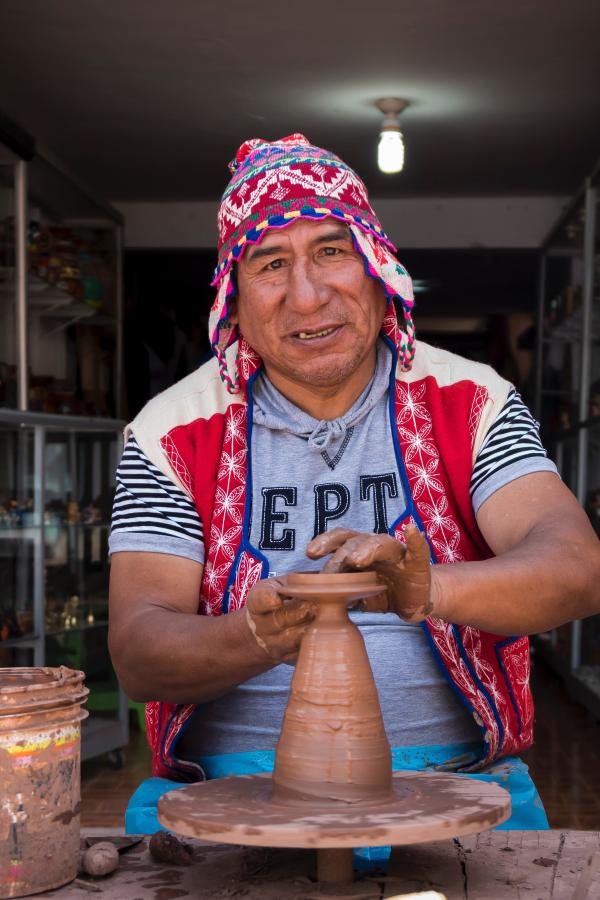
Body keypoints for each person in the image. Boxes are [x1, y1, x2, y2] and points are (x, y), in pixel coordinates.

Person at [108, 134, 600, 840]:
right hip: (231, 794)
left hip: (456, 782)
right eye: (271, 264)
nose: (306, 296)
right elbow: (136, 650)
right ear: (234, 299)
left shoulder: (469, 399)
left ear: (377, 267)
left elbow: (578, 569)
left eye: (332, 252)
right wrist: (251, 636)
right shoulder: (171, 432)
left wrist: (429, 592)